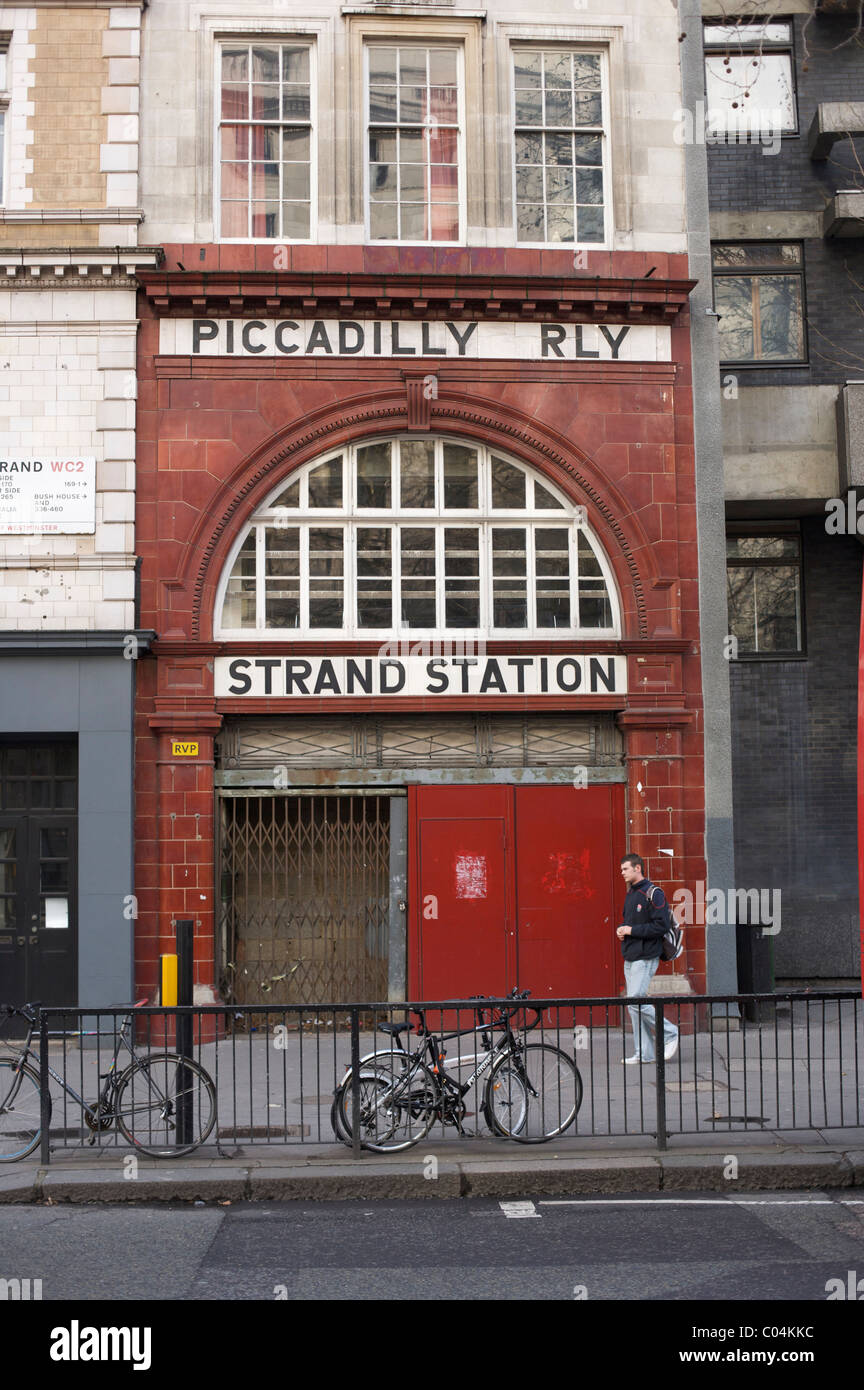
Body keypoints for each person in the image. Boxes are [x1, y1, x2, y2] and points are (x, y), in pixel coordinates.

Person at [616, 853, 679, 1064]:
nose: (622, 872)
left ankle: (670, 1033)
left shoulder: (654, 893)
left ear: (637, 868)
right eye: (622, 869)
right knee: (634, 1005)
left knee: (636, 1001)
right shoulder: (631, 894)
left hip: (646, 956)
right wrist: (624, 931)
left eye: (625, 868)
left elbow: (662, 926)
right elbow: (634, 923)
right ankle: (645, 1053)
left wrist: (631, 930)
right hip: (631, 955)